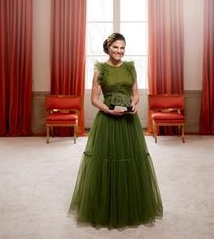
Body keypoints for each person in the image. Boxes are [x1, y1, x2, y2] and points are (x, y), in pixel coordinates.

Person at [69, 33, 163, 229]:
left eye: (122, 48)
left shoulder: (130, 68)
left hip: (129, 121)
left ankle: (130, 205)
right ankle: (106, 207)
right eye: (115, 48)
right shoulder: (100, 70)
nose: (119, 51)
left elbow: (135, 95)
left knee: (130, 160)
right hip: (107, 120)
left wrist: (134, 105)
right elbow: (94, 99)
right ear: (108, 47)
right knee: (107, 161)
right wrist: (108, 109)